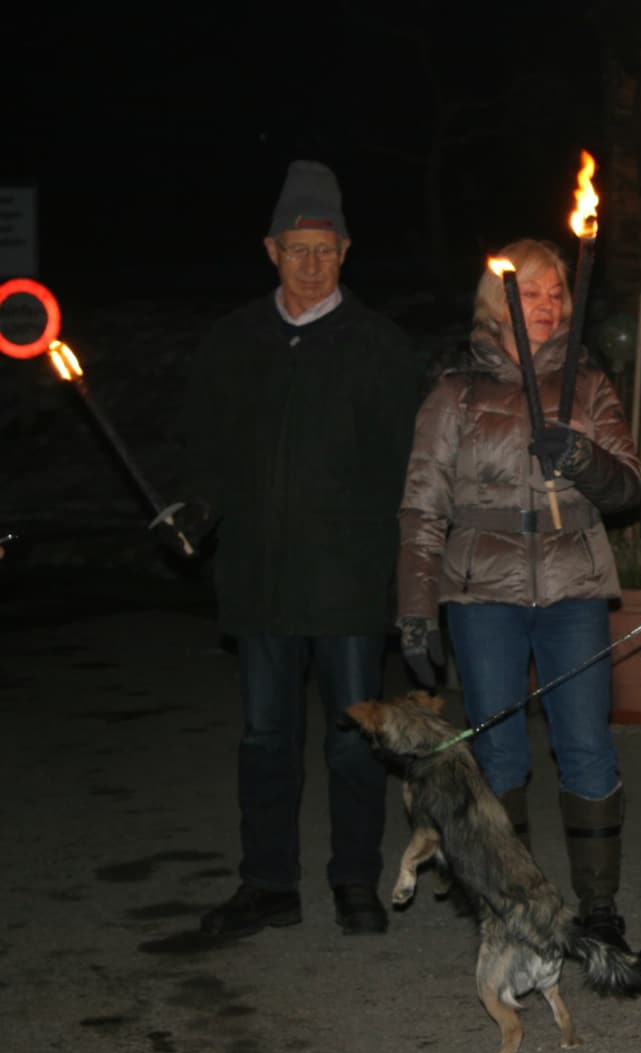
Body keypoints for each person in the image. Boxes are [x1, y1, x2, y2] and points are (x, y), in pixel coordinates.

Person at [184, 161, 423, 937]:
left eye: (326, 250)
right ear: (271, 251)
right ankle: (268, 885)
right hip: (259, 580)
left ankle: (354, 880)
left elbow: (407, 468)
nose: (312, 264)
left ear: (346, 251)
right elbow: (204, 449)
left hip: (347, 582)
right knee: (265, 738)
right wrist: (196, 507)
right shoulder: (233, 342)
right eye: (297, 249)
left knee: (354, 740)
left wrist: (406, 570)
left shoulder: (379, 347)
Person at [395, 238, 641, 950]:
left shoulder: (587, 384)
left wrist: (582, 457)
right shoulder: (456, 393)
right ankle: (515, 903)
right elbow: (422, 507)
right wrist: (415, 611)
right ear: (496, 303)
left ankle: (599, 907)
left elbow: (628, 487)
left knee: (587, 745)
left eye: (555, 292)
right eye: (529, 292)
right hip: (483, 595)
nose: (546, 304)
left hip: (574, 586)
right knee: (500, 755)